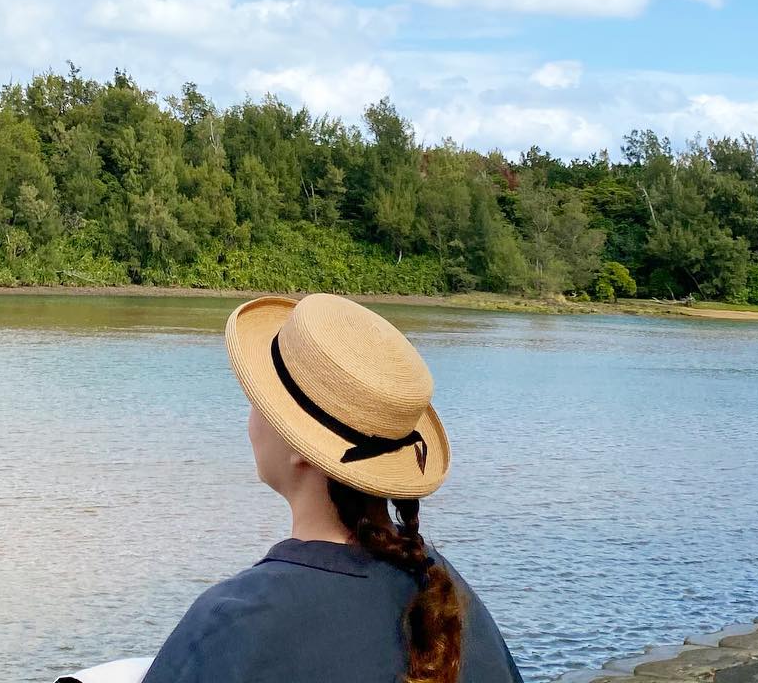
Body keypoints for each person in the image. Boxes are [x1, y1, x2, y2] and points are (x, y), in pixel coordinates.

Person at [140, 292, 524, 683]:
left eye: (260, 400)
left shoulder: (234, 623)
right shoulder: (445, 591)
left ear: (301, 449)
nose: (250, 414)